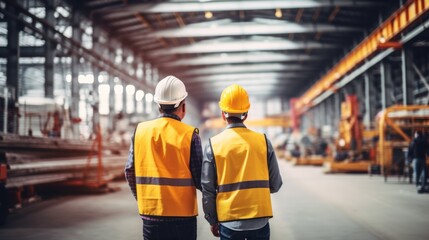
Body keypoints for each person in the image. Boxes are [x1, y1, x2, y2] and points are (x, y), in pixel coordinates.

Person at [125, 75, 203, 240]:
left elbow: (129, 170)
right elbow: (201, 178)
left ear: (158, 105)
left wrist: (144, 198)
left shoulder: (141, 131)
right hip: (183, 217)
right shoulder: (190, 135)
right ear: (183, 106)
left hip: (151, 214)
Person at [201, 84, 283, 240]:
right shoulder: (263, 142)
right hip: (260, 220)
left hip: (229, 222)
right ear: (246, 114)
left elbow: (208, 190)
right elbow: (276, 184)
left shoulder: (213, 145)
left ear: (223, 115)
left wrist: (212, 220)